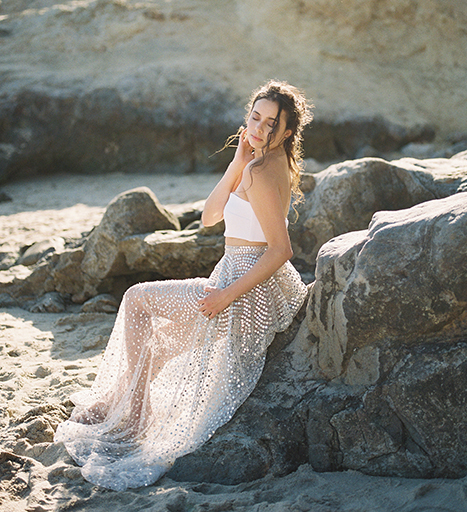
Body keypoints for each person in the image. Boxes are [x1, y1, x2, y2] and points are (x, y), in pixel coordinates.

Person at [54, 80, 313, 491]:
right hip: (246, 280)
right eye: (255, 117)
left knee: (136, 300)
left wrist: (226, 295)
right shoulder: (262, 163)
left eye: (271, 123)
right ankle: (121, 404)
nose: (259, 128)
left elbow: (280, 250)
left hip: (241, 288)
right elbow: (210, 216)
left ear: (286, 131)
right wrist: (235, 164)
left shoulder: (261, 171)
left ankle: (134, 415)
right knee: (156, 347)